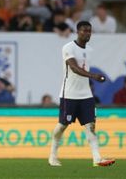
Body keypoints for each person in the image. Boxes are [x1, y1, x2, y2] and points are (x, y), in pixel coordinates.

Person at [48, 21, 115, 167]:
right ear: (77, 31)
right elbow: (74, 68)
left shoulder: (89, 50)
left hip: (86, 95)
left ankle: (97, 158)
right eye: (84, 31)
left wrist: (92, 78)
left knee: (90, 126)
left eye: (89, 31)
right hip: (69, 95)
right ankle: (52, 155)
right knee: (62, 125)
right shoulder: (68, 47)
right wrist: (94, 76)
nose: (87, 33)